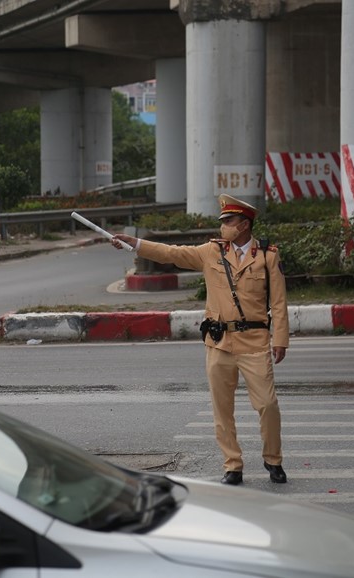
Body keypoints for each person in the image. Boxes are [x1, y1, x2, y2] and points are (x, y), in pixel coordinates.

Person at [111, 194, 290, 486]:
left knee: (268, 404)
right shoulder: (211, 252)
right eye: (223, 222)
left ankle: (273, 460)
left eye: (228, 222)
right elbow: (172, 253)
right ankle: (232, 465)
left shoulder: (268, 255)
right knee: (222, 408)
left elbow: (279, 302)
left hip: (255, 342)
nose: (223, 227)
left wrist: (280, 338)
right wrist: (136, 243)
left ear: (244, 224)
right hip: (219, 342)